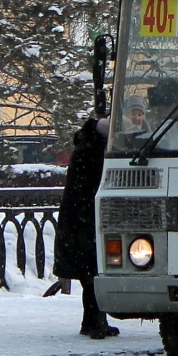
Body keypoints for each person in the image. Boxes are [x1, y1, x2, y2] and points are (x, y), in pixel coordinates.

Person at [52, 116, 118, 338]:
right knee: (93, 274)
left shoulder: (86, 146)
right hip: (86, 220)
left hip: (80, 220)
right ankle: (94, 322)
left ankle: (94, 321)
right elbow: (94, 185)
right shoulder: (94, 151)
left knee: (91, 274)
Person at [147, 78, 178, 151]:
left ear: (173, 107)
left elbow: (149, 149)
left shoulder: (168, 128)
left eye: (160, 111)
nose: (158, 116)